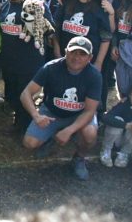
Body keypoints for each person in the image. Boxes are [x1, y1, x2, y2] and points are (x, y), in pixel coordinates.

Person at [21, 36, 101, 181]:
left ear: (90, 57)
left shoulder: (94, 75)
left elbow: (90, 110)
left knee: (90, 134)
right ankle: (51, 138)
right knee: (29, 143)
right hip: (52, 112)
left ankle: (79, 158)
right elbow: (26, 93)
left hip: (79, 115)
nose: (77, 57)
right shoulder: (51, 67)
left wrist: (69, 130)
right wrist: (36, 115)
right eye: (73, 52)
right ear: (66, 52)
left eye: (82, 54)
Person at [0, 0, 56, 131]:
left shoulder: (35, 3)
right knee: (13, 93)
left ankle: (24, 127)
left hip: (29, 60)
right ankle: (19, 120)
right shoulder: (6, 5)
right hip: (9, 59)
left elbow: (50, 29)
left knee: (26, 94)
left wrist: (39, 22)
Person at [55, 0, 112, 73]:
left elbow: (106, 38)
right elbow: (57, 27)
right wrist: (57, 52)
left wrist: (98, 63)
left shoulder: (101, 6)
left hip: (88, 62)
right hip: (63, 58)